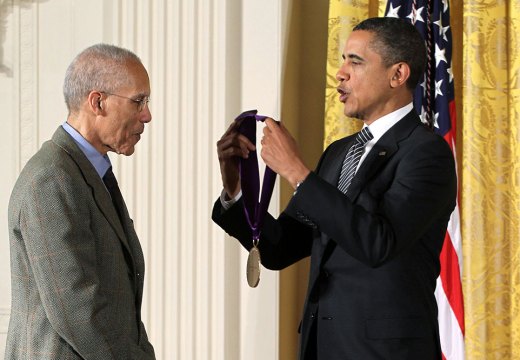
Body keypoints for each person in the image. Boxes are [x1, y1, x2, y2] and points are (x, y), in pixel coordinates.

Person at [213, 17, 457, 360]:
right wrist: (235, 189)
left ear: (397, 75)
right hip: (322, 348)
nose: (340, 73)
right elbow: (280, 248)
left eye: (355, 62)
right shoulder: (339, 152)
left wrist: (297, 172)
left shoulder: (426, 153)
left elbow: (378, 242)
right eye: (342, 60)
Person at [6, 44, 155, 359]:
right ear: (98, 102)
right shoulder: (51, 178)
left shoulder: (86, 172)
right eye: (138, 101)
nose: (147, 115)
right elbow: (78, 311)